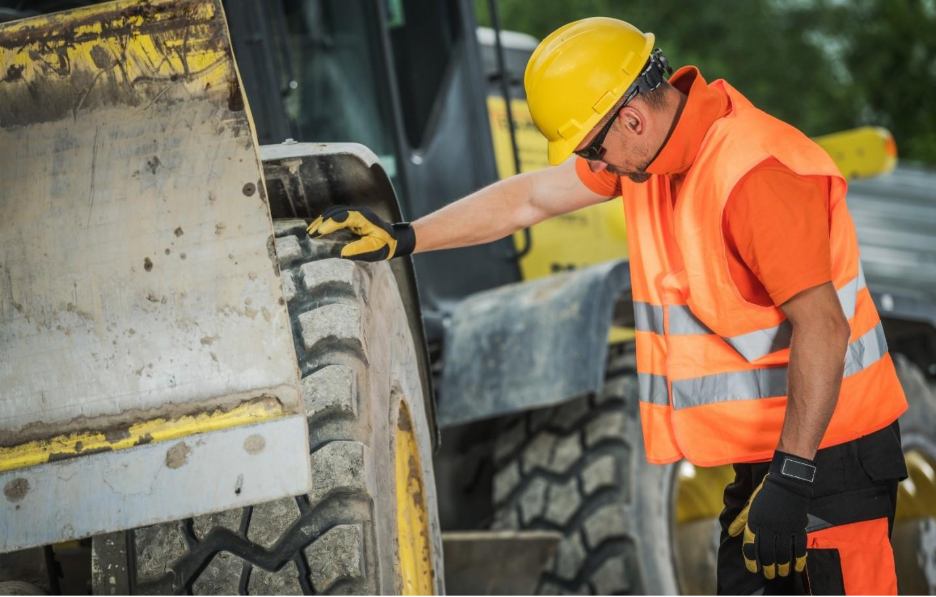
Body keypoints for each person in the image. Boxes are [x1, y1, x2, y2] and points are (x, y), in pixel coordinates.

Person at [306, 17, 908, 596]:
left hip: (830, 460)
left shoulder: (754, 175)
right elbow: (528, 199)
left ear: (633, 117)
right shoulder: (655, 160)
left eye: (593, 149)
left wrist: (794, 474)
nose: (593, 167)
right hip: (771, 463)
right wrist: (405, 237)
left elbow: (824, 329)